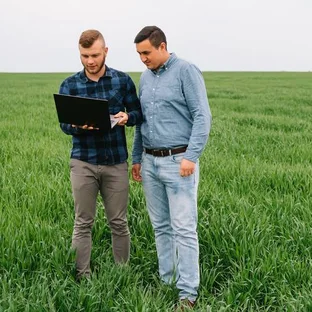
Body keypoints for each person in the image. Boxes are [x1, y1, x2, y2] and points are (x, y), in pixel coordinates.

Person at [131, 26, 212, 308]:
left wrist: (191, 156)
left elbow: (202, 115)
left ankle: (188, 293)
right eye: (139, 53)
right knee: (161, 227)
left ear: (162, 46)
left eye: (146, 52)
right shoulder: (144, 77)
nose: (142, 58)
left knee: (184, 229)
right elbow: (141, 121)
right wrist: (137, 158)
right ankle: (168, 281)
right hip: (150, 161)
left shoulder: (186, 71)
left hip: (179, 162)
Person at [59, 29, 142, 280]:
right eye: (84, 56)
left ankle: (122, 273)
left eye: (94, 55)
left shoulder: (122, 80)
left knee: (119, 222)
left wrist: (127, 118)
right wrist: (78, 126)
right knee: (83, 222)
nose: (90, 61)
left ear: (105, 51)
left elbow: (138, 113)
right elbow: (64, 125)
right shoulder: (70, 84)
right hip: (83, 161)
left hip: (115, 162)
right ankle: (82, 275)